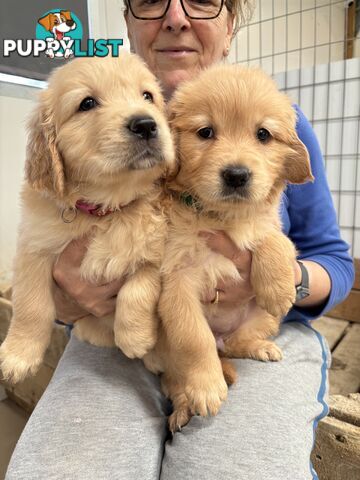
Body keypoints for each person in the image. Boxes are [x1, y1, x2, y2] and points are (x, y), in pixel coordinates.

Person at [6, 0, 354, 479]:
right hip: (117, 336)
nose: (176, 17)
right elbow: (132, 253)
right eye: (150, 1)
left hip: (262, 325)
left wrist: (282, 276)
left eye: (204, 1)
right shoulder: (152, 148)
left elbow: (333, 259)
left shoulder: (284, 118)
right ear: (127, 22)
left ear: (231, 25)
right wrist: (65, 302)